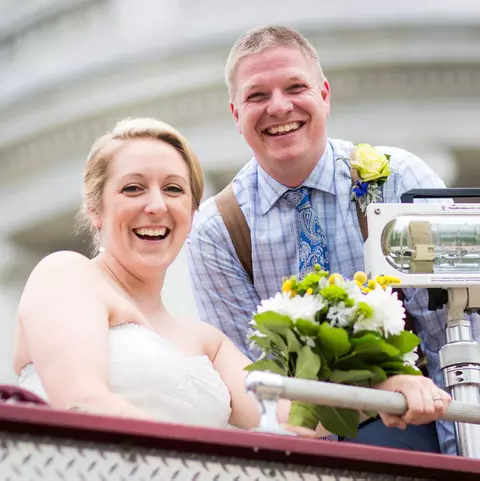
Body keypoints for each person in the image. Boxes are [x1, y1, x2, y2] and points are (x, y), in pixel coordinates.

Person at [13, 117, 448, 441]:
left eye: (174, 189)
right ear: (95, 210)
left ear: (191, 212)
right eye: (132, 188)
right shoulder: (66, 274)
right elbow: (80, 401)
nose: (156, 206)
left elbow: (293, 420)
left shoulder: (207, 342)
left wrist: (385, 385)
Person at [187, 25, 456, 453]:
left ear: (325, 95)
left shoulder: (398, 180)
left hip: (411, 429)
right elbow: (250, 383)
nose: (279, 106)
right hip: (296, 444)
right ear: (236, 115)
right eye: (257, 95)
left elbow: (450, 339)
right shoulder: (216, 231)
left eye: (295, 87)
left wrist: (460, 456)